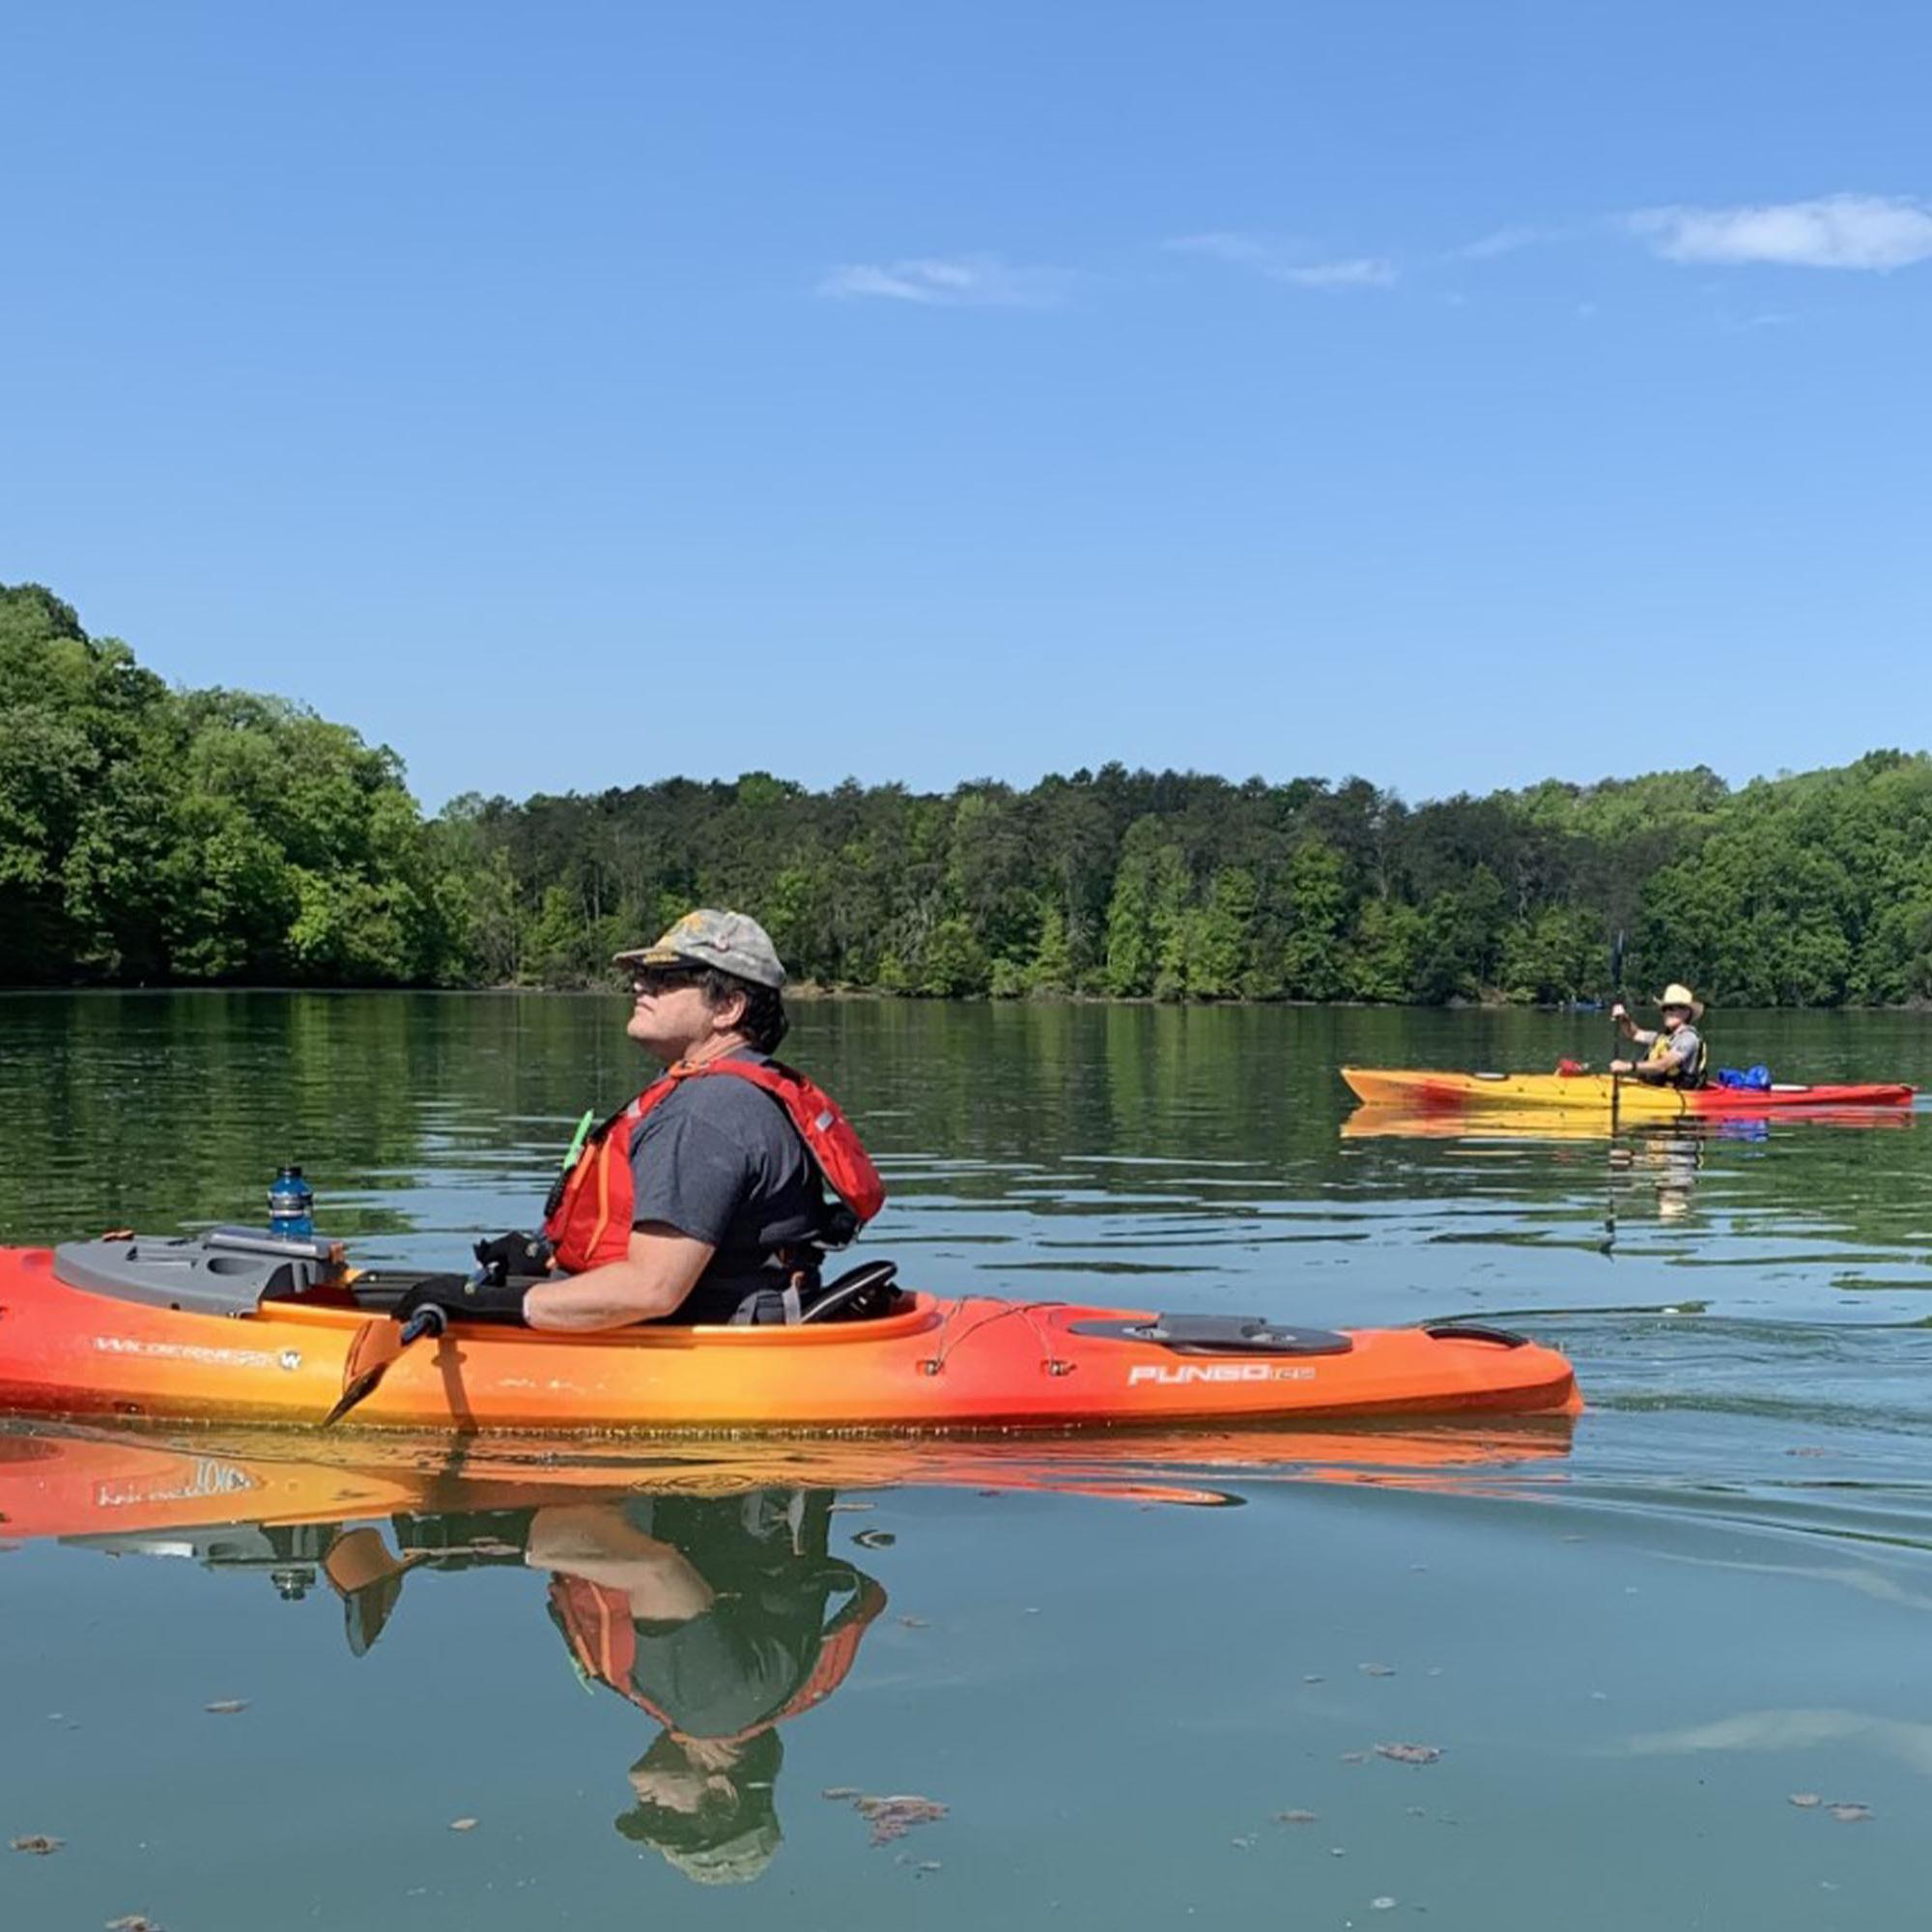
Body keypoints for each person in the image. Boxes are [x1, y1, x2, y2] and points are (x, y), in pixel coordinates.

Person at [417, 910, 885, 1332]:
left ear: (728, 1008)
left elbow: (651, 1289)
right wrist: (541, 1257)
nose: (640, 985)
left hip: (709, 1348)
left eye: (668, 977)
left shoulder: (706, 1114)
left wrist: (495, 1306)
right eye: (643, 973)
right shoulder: (739, 1090)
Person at [1609, 982, 1709, 1088]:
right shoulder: (1662, 1037)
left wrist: (1629, 1066)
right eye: (1665, 1009)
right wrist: (1624, 1018)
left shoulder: (1688, 1039)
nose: (1667, 1012)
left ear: (1687, 1012)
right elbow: (1634, 1034)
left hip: (1678, 1094)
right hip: (1658, 1089)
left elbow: (1663, 1065)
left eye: (1672, 1008)